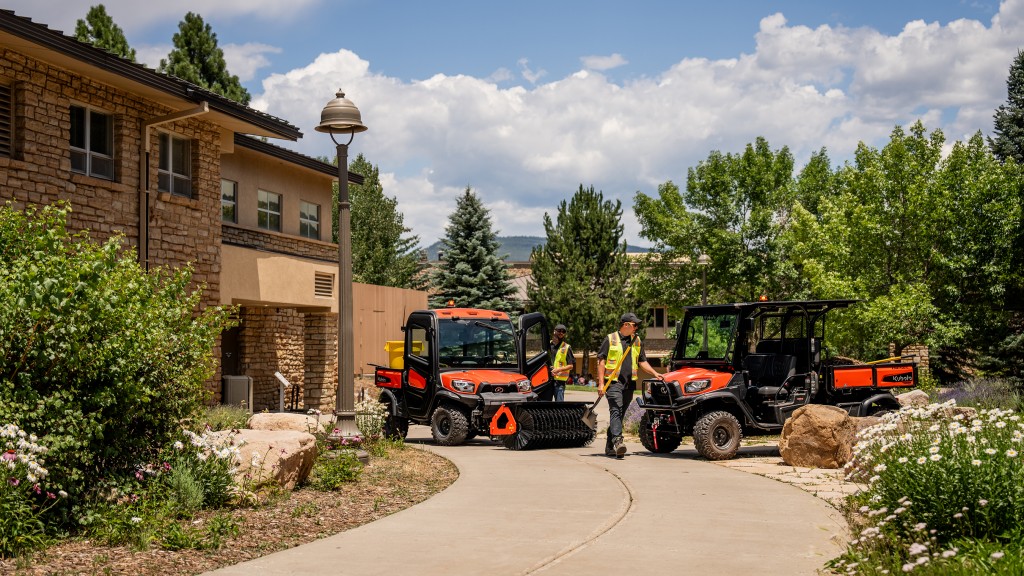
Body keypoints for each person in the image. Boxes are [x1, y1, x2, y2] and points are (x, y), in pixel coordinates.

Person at [596, 312, 664, 459]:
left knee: (620, 414)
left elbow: (642, 361)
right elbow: (601, 361)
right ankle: (618, 442)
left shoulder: (637, 340)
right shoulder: (610, 339)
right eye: (635, 325)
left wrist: (654, 373)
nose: (637, 327)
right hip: (613, 382)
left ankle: (609, 446)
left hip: (629, 384)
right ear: (626, 325)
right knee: (616, 409)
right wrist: (601, 383)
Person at [550, 323, 575, 402]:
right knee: (545, 405)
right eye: (559, 330)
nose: (561, 333)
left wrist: (558, 370)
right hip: (547, 380)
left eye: (563, 331)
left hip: (559, 382)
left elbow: (571, 366)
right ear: (554, 331)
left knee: (559, 406)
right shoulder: (547, 345)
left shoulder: (567, 347)